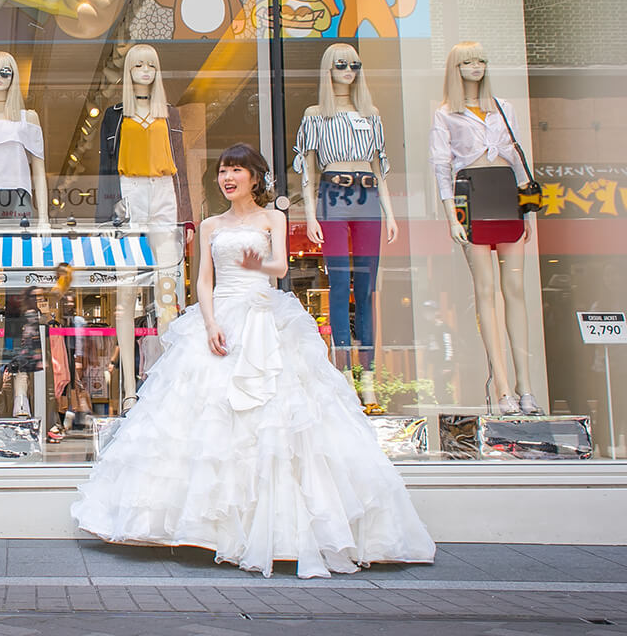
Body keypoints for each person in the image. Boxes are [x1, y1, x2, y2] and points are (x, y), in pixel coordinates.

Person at [72, 143, 435, 579]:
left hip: (263, 316)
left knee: (278, 422)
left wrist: (257, 263)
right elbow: (202, 281)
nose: (228, 177)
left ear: (254, 177)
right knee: (205, 418)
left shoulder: (272, 218)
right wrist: (208, 324)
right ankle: (206, 528)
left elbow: (281, 267)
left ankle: (275, 531)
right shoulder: (209, 225)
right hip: (221, 316)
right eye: (224, 170)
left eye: (236, 171)